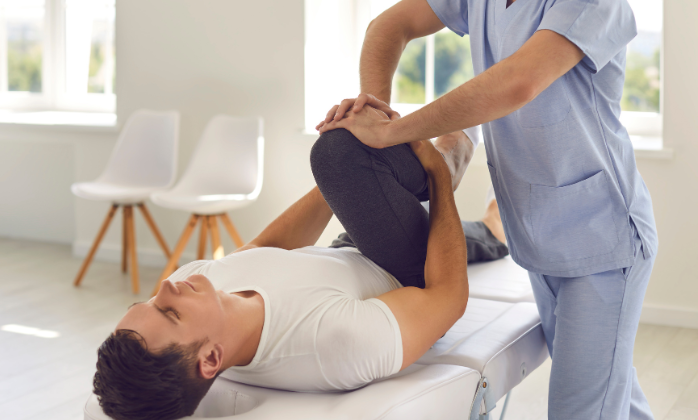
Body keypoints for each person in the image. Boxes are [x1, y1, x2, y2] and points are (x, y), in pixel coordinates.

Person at [316, 0, 658, 419]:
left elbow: (518, 81)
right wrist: (373, 106)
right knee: (613, 393)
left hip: (602, 239)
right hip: (538, 239)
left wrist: (389, 132)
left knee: (583, 408)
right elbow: (390, 24)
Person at [91, 123, 509, 420]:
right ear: (211, 359)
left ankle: (480, 193)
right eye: (169, 312)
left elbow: (264, 250)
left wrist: (335, 189)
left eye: (148, 301)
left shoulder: (198, 289)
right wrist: (436, 174)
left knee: (340, 156)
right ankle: (462, 149)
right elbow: (447, 300)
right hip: (405, 273)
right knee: (338, 153)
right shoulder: (331, 345)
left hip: (346, 254)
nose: (166, 286)